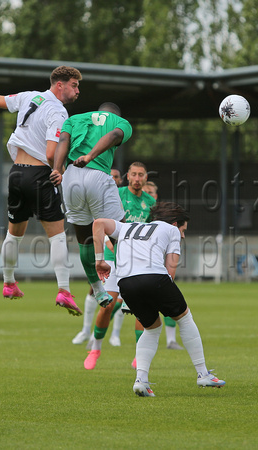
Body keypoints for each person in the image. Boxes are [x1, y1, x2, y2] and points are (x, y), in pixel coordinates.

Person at [0, 66, 83, 316]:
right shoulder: (58, 111)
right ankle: (64, 289)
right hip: (40, 176)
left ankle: (9, 283)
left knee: (14, 234)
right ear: (60, 85)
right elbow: (52, 152)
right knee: (57, 236)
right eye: (74, 85)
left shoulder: (30, 96)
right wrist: (61, 168)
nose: (78, 91)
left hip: (17, 174)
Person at [93, 202, 226, 396]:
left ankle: (141, 381)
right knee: (184, 317)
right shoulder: (170, 231)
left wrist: (99, 260)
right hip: (155, 277)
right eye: (183, 230)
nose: (183, 235)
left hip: (126, 285)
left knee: (152, 328)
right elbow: (170, 271)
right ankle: (203, 374)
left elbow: (98, 223)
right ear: (174, 224)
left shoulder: (127, 226)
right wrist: (159, 294)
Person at [50, 102, 132, 309]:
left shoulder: (74, 119)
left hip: (70, 177)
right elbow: (113, 136)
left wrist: (57, 169)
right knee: (122, 233)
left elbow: (63, 141)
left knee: (84, 237)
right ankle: (129, 291)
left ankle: (98, 290)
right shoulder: (121, 122)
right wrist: (90, 156)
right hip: (97, 175)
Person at [84, 162, 156, 370]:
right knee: (108, 305)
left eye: (140, 175)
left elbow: (150, 233)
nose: (137, 178)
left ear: (145, 177)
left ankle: (139, 355)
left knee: (142, 309)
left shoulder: (151, 203)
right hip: (113, 258)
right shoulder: (116, 194)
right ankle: (95, 348)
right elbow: (101, 223)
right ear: (128, 176)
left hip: (136, 261)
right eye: (133, 174)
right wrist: (111, 245)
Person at [72, 167, 123, 345]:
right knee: (97, 291)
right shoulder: (100, 194)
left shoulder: (121, 196)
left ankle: (115, 333)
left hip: (123, 253)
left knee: (121, 296)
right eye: (111, 176)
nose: (114, 179)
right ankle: (86, 330)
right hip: (106, 253)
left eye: (116, 176)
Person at [142, 181, 184, 351]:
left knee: (166, 300)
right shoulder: (138, 213)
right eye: (146, 192)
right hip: (131, 266)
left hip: (152, 270)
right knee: (114, 303)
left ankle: (171, 340)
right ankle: (100, 335)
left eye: (151, 192)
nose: (148, 195)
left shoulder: (161, 219)